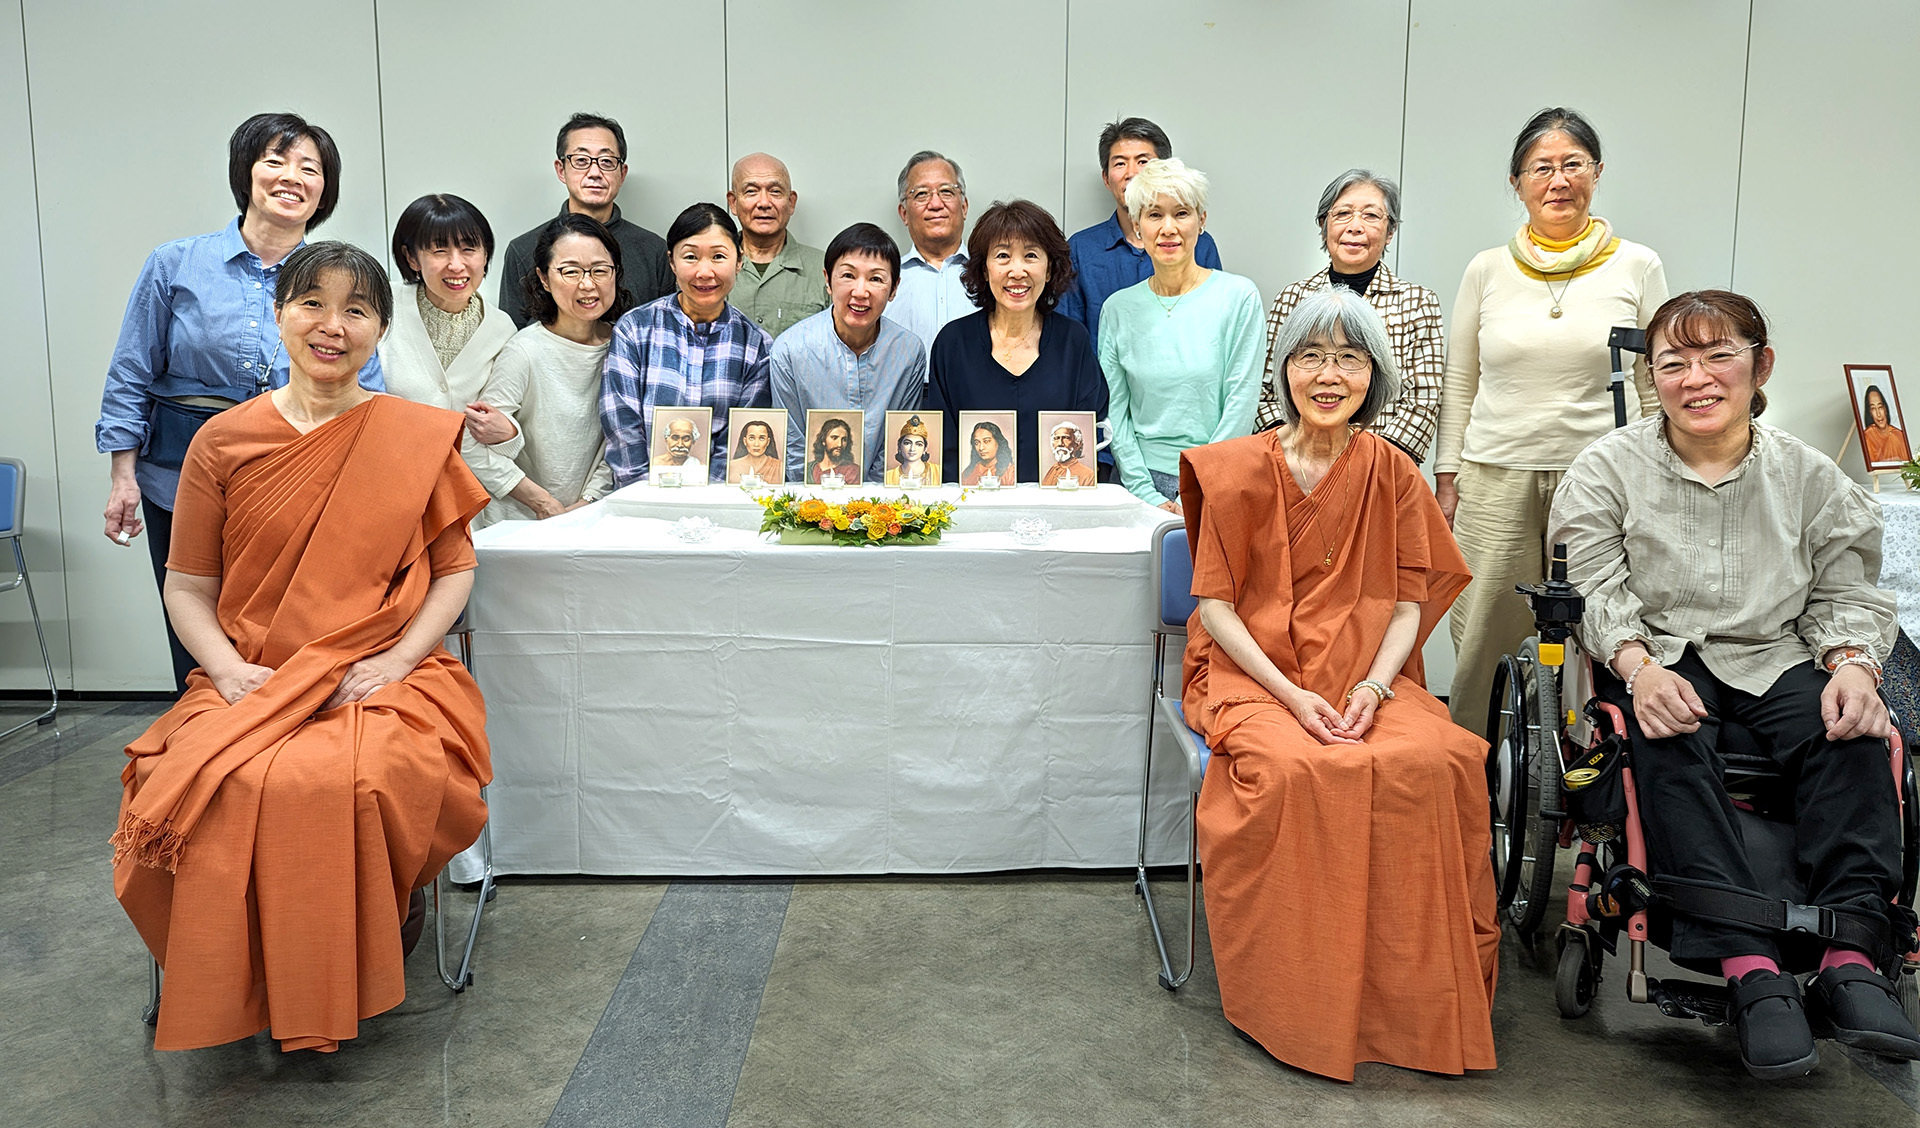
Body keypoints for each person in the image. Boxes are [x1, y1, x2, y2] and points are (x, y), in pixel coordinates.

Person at [112, 241, 491, 1054]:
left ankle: (373, 937)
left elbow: (456, 573)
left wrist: (396, 662)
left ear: (380, 330)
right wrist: (225, 670)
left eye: (357, 310)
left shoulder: (417, 435)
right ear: (278, 314)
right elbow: (187, 586)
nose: (332, 326)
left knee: (351, 778)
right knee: (210, 782)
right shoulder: (223, 440)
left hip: (389, 671)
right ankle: (244, 977)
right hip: (251, 672)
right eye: (311, 303)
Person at [1550, 290, 1917, 1080]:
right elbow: (1592, 585)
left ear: (1761, 367)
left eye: (1719, 356)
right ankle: (1751, 969)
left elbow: (1849, 588)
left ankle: (1853, 952)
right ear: (1654, 378)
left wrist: (1853, 662)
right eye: (1673, 363)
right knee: (1662, 740)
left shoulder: (1810, 477)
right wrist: (1637, 668)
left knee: (1855, 731)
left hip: (1774, 651)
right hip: (1660, 653)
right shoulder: (1605, 469)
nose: (1696, 378)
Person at [1180, 285, 1496, 1081]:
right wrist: (1292, 698)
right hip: (1250, 672)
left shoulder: (1389, 469)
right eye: (1312, 356)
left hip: (1365, 670)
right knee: (1298, 769)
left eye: (1350, 359)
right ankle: (1298, 998)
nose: (1329, 375)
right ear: (1284, 369)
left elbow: (1406, 601)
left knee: (1439, 760)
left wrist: (1373, 690)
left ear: (1374, 376)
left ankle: (1410, 1006)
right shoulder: (1235, 471)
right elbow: (1216, 608)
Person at [98, 112, 384, 694]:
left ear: (324, 189)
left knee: (282, 633)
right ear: (245, 172)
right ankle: (203, 755)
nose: (291, 177)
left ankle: (278, 762)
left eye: (310, 167)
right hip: (176, 481)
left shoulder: (337, 276)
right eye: (275, 160)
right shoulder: (176, 264)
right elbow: (131, 370)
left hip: (300, 487)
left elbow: (366, 384)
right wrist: (122, 474)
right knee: (197, 637)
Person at [1436, 107, 1668, 737]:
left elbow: (1653, 381)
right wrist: (1448, 473)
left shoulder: (1637, 265)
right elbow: (1463, 378)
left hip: (1600, 479)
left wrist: (1659, 472)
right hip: (1495, 473)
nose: (1558, 180)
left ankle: (1594, 767)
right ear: (1517, 182)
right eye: (1542, 167)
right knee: (1485, 632)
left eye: (1573, 164)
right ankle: (1472, 767)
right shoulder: (1486, 268)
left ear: (1597, 173)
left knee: (1602, 628)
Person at [1098, 159, 1264, 512]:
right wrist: (1147, 493)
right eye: (1154, 215)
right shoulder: (1117, 309)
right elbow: (1116, 410)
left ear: (1201, 221)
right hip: (1136, 483)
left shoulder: (1239, 297)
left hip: (1218, 480)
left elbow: (1241, 404)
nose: (1168, 228)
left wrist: (1194, 488)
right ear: (1138, 227)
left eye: (1182, 213)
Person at [1254, 170, 1444, 464]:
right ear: (1323, 225)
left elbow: (1423, 400)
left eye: (1371, 216)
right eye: (1342, 213)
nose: (1355, 227)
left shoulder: (1418, 302)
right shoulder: (1292, 298)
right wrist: (1293, 455)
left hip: (1381, 469)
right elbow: (1266, 391)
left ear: (1390, 231)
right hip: (1297, 465)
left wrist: (1374, 464)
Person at [926, 200, 1107, 484]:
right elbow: (942, 449)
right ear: (984, 270)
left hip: (1057, 509)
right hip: (972, 509)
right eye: (1002, 256)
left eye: (1031, 255)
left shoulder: (1073, 341)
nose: (1017, 271)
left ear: (1049, 270)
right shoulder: (953, 344)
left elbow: (1091, 428)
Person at [601, 203, 773, 486]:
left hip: (716, 505)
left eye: (718, 256)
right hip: (640, 502)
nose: (705, 272)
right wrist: (648, 497)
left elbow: (741, 440)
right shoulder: (634, 330)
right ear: (672, 262)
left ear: (739, 261)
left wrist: (702, 501)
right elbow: (622, 427)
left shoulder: (756, 346)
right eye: (691, 257)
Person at [379, 194, 523, 525]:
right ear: (412, 257)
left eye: (469, 249)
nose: (456, 265)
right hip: (389, 492)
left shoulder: (502, 328)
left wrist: (508, 431)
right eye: (439, 250)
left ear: (486, 255)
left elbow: (502, 425)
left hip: (465, 503)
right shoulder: (382, 306)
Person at [487, 214, 632, 521]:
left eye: (600, 270)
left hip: (599, 516)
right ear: (543, 278)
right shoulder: (524, 350)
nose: (588, 284)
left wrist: (587, 502)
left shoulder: (626, 344)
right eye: (570, 271)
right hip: (524, 521)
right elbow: (476, 446)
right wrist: (541, 502)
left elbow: (626, 437)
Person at [768, 223, 925, 483]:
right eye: (848, 276)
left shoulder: (908, 351)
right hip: (812, 500)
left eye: (876, 279)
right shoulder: (790, 349)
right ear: (828, 280)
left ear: (894, 288)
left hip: (883, 502)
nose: (860, 292)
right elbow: (792, 445)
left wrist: (870, 502)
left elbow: (900, 439)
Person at [1059, 117, 1222, 363]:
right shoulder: (1081, 249)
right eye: (1120, 163)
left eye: (1143, 162)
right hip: (1102, 393)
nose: (1132, 173)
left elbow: (1213, 328)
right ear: (1106, 178)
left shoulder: (1199, 243)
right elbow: (1069, 336)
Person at [497, 112, 672, 329]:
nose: (595, 172)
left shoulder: (654, 250)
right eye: (581, 161)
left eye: (607, 161)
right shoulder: (523, 249)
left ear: (622, 173)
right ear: (561, 170)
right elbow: (513, 335)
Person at [726, 153, 828, 338]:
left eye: (775, 191)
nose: (764, 203)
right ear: (733, 202)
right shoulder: (711, 268)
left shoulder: (824, 268)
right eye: (751, 191)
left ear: (791, 202)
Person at [890, 151, 972, 357]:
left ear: (964, 207)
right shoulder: (885, 281)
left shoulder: (992, 276)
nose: (935, 204)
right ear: (904, 213)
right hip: (908, 389)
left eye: (946, 191)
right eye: (921, 194)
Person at [1861, 385, 1912, 464]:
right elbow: (1875, 464)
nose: (1878, 414)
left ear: (1885, 409)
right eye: (1873, 409)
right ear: (1870, 413)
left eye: (1880, 407)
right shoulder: (1868, 436)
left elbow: (1907, 464)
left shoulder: (1899, 435)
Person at [884, 414, 938, 486]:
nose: (912, 449)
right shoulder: (889, 476)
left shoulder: (938, 471)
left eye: (918, 444)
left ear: (925, 449)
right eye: (907, 443)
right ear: (900, 447)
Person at [1039, 422, 1096, 486]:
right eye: (1057, 438)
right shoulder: (1053, 469)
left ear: (1077, 444)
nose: (1060, 443)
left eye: (1066, 438)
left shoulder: (1089, 475)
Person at [807, 417, 861, 484]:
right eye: (834, 438)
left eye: (844, 440)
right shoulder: (809, 469)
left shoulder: (853, 471)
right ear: (823, 440)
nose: (839, 444)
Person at [960, 420, 1014, 485]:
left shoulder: (1010, 471)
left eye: (986, 441)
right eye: (976, 443)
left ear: (998, 442)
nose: (981, 448)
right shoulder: (968, 472)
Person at [730, 419, 784, 484]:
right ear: (745, 441)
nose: (756, 444)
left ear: (768, 442)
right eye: (751, 438)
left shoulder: (780, 467)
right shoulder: (732, 466)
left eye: (762, 438)